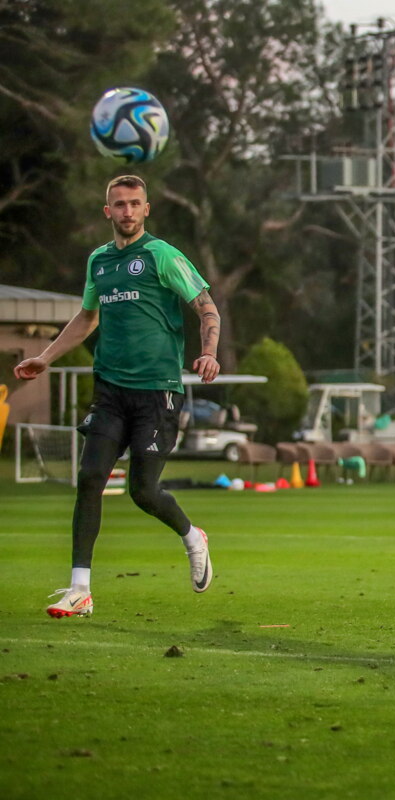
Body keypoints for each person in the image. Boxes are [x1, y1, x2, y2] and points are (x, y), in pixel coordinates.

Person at [14, 175, 221, 618]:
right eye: (119, 204)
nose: (127, 211)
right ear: (106, 211)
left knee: (143, 492)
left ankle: (192, 536)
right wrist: (45, 357)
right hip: (110, 389)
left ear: (146, 210)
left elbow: (206, 306)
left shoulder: (161, 255)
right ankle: (80, 590)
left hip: (157, 392)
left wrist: (208, 352)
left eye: (134, 204)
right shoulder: (100, 262)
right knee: (90, 478)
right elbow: (87, 318)